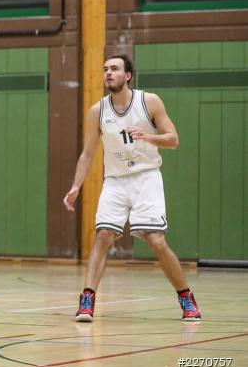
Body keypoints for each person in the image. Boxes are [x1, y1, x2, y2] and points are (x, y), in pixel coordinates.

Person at [63, 54, 201, 322]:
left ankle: (185, 296)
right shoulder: (97, 111)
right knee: (103, 236)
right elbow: (88, 154)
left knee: (156, 241)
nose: (108, 73)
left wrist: (148, 136)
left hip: (146, 177)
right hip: (115, 181)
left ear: (128, 75)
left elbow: (173, 140)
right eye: (105, 69)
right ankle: (87, 299)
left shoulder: (149, 101)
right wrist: (76, 186)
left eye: (114, 69)